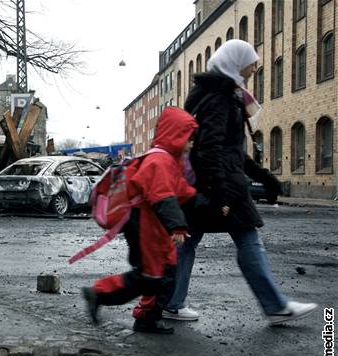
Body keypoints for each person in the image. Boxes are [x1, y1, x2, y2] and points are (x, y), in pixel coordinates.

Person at [162, 39, 317, 325]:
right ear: (235, 62)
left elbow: (232, 151)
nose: (255, 66)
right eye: (251, 60)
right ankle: (275, 306)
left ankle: (170, 302)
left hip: (208, 184)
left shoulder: (211, 94)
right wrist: (221, 193)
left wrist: (265, 178)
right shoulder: (219, 98)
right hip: (222, 187)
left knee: (185, 242)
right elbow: (210, 149)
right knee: (247, 240)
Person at [82, 107, 198, 334]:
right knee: (150, 276)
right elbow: (163, 196)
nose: (191, 144)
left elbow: (181, 191)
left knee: (165, 274)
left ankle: (147, 317)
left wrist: (205, 201)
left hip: (156, 226)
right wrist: (178, 225)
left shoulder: (167, 161)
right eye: (188, 138)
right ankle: (99, 293)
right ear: (176, 135)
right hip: (146, 225)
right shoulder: (159, 161)